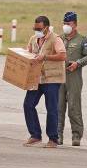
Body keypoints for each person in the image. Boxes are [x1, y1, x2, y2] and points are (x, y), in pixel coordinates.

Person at [23, 16, 67, 148]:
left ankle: (53, 139)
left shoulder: (55, 39)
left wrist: (46, 57)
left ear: (47, 27)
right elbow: (28, 53)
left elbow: (63, 55)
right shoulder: (33, 39)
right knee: (28, 105)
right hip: (36, 78)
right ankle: (35, 135)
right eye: (35, 28)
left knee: (51, 108)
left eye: (39, 29)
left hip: (52, 79)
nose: (37, 30)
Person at [58, 11, 87, 146]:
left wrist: (77, 63)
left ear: (75, 25)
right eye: (64, 23)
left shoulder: (82, 40)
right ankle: (57, 135)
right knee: (58, 107)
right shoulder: (59, 39)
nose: (66, 26)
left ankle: (76, 135)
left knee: (74, 107)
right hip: (59, 77)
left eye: (68, 23)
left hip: (74, 77)